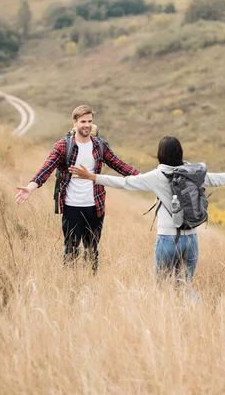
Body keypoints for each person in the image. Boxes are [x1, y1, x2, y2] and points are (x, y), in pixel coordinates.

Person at [69, 135, 225, 283]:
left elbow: (125, 182)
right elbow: (215, 178)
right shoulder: (193, 172)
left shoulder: (157, 176)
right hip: (191, 238)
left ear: (160, 154)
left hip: (167, 238)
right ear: (180, 153)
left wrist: (93, 177)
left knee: (162, 287)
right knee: (184, 286)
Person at [15, 104, 139, 272]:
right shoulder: (63, 146)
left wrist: (146, 179)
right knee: (71, 250)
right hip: (72, 207)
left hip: (95, 207)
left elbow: (120, 165)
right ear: (74, 123)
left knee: (92, 251)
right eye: (83, 121)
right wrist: (30, 188)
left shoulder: (100, 146)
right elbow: (46, 169)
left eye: (89, 121)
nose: (87, 125)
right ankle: (70, 285)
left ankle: (91, 286)